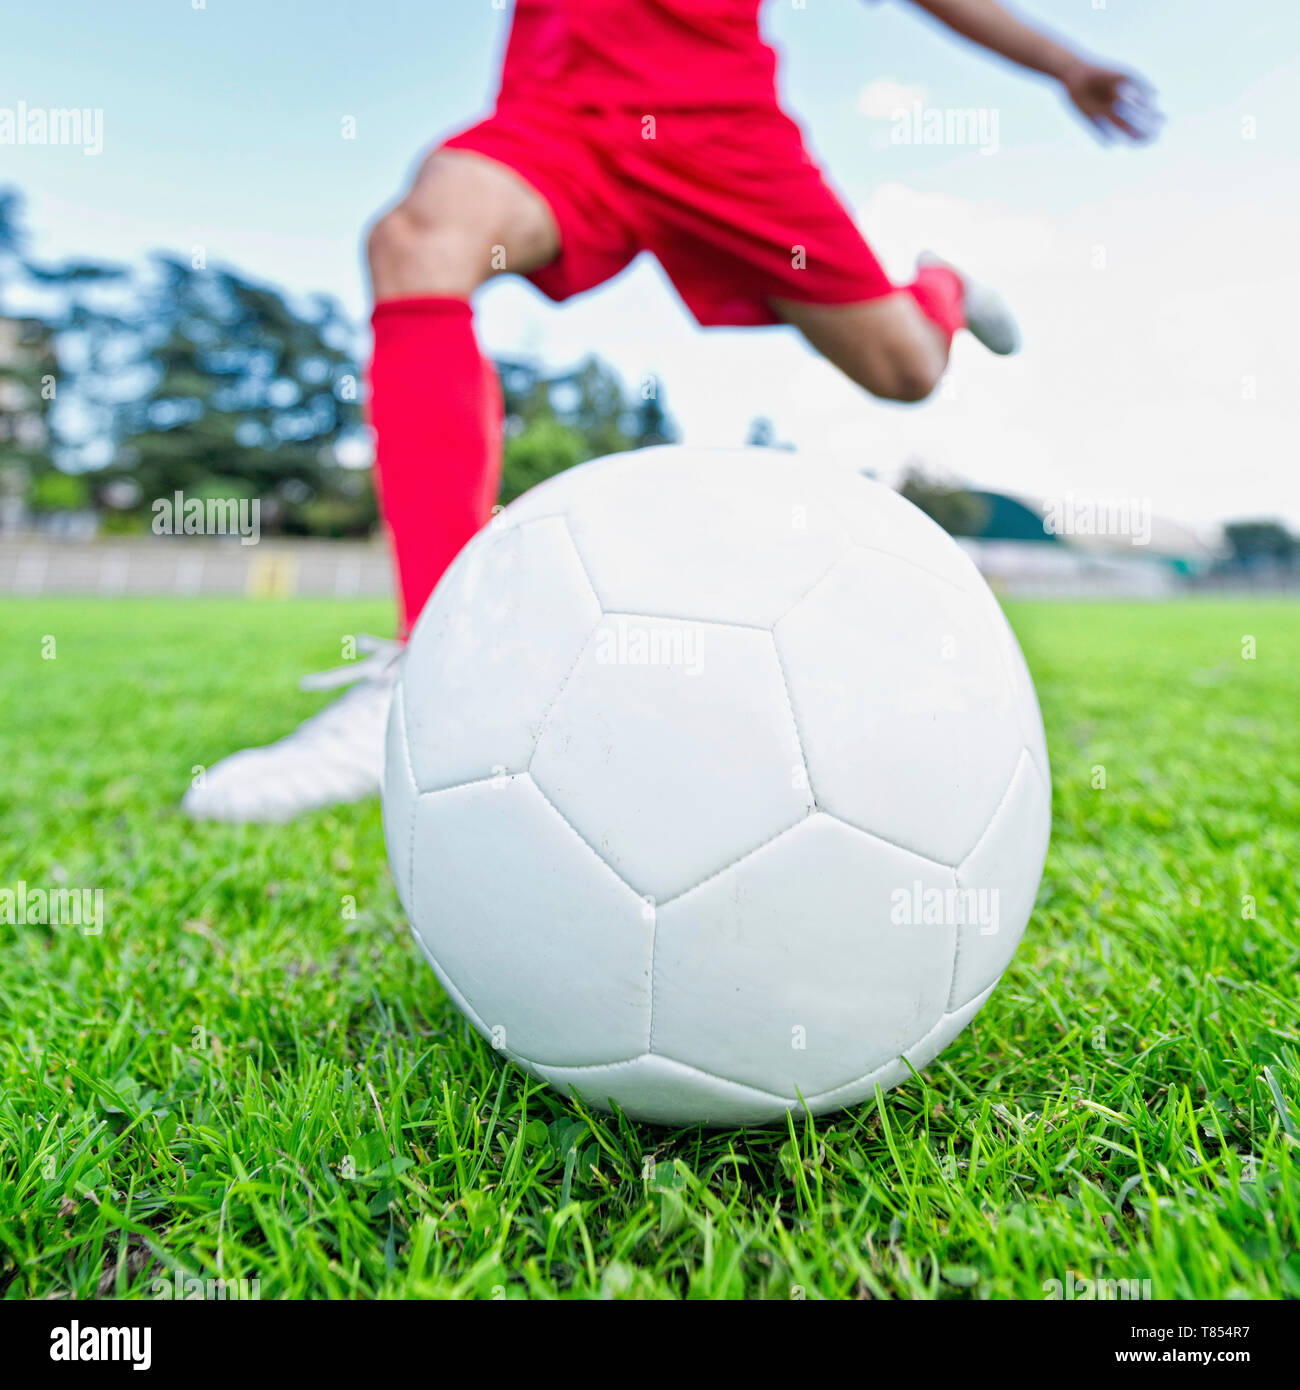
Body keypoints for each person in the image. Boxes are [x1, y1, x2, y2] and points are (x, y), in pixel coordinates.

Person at [183, 0, 1157, 823]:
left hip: (724, 130)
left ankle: (938, 290)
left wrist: (1066, 64)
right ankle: (429, 675)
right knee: (419, 239)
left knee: (904, 367)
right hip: (557, 123)